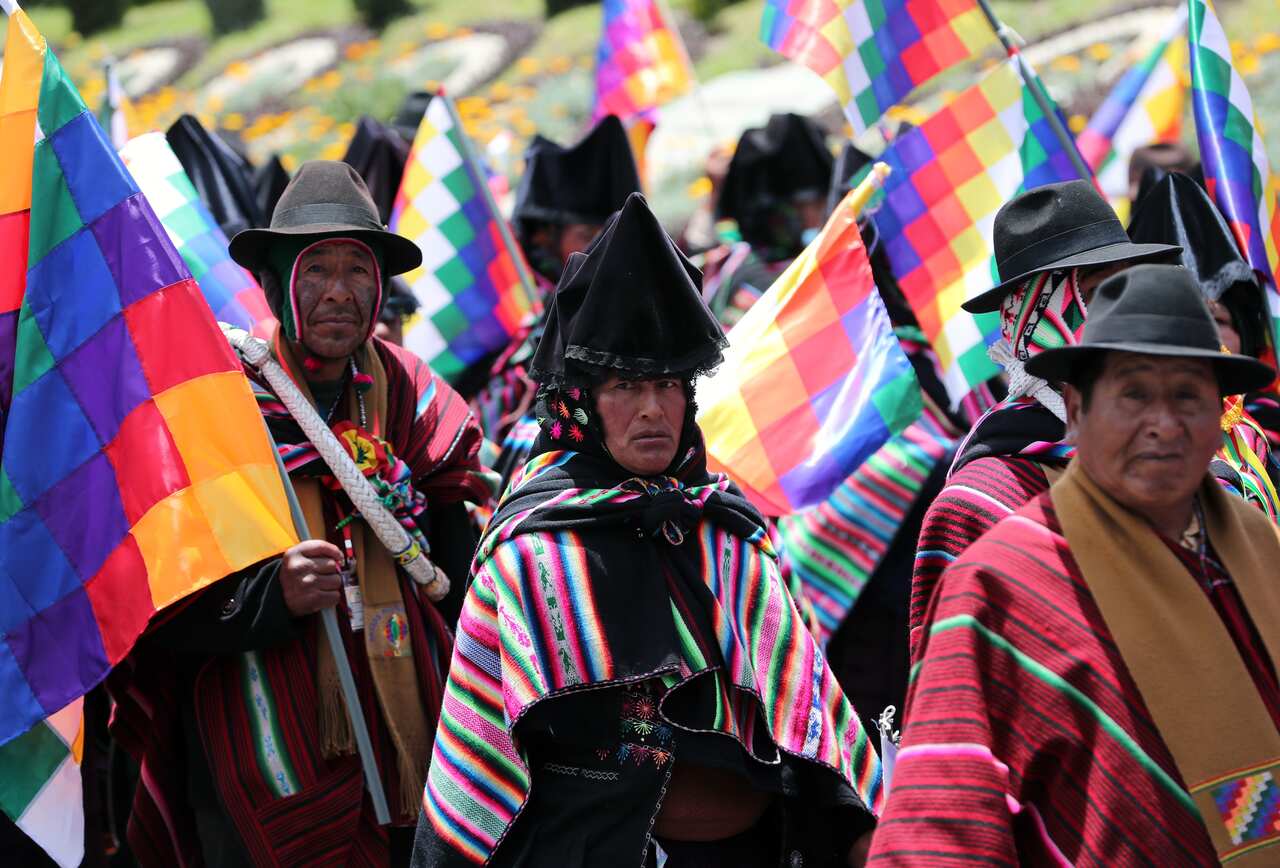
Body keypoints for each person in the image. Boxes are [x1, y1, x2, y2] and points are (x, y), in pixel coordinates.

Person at [412, 193, 882, 867]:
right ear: (580, 403)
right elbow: (479, 751)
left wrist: (857, 818)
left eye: (667, 385)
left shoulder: (727, 532)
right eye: (624, 388)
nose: (652, 409)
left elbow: (808, 705)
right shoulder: (531, 553)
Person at [108, 162, 493, 867]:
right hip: (257, 751)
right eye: (316, 269)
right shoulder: (219, 401)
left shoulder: (412, 398)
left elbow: (461, 572)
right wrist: (266, 596)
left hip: (415, 738)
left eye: (359, 268)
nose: (340, 292)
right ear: (278, 281)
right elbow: (155, 587)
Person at [869, 264, 1280, 865]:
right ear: (1079, 409)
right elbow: (943, 823)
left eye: (1188, 394)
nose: (1162, 425)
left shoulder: (1258, 548)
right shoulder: (998, 587)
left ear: (1222, 419)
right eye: (1133, 393)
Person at [908, 179, 1178, 659]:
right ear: (1039, 316)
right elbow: (961, 676)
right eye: (1097, 294)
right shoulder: (986, 494)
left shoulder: (1196, 437)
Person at [468, 115, 643, 489]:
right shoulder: (514, 313)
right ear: (547, 238)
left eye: (613, 232)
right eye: (586, 234)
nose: (603, 246)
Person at [1129, 171, 1280, 517]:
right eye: (1186, 319)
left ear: (1247, 336)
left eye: (1219, 321)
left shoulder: (1261, 438)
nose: (1204, 336)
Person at [702, 112, 834, 327]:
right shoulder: (758, 281)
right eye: (802, 205)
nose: (815, 215)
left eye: (819, 201)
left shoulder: (824, 262)